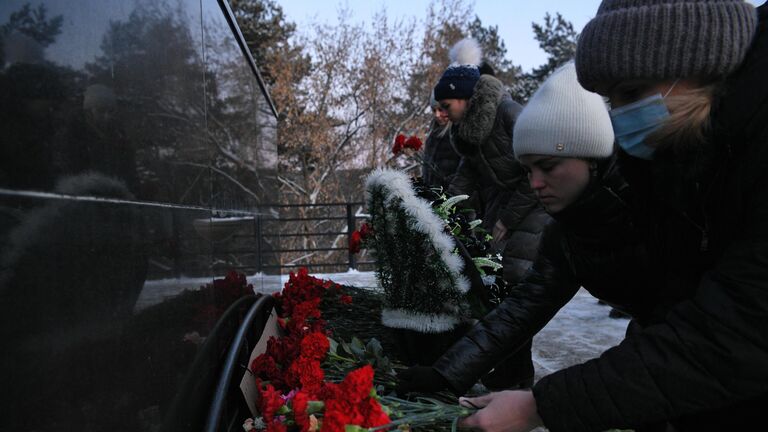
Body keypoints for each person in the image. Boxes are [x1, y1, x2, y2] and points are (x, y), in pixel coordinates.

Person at [455, 1, 768, 431]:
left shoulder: (707, 157)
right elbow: (672, 307)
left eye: (633, 91)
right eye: (611, 98)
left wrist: (545, 405)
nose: (619, 115)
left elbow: (737, 330)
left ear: (700, 60)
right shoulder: (668, 159)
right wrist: (445, 374)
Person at [398, 61, 642, 412]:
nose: (534, 183)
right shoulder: (567, 232)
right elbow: (520, 310)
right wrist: (446, 374)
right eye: (527, 170)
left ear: (588, 155)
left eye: (548, 166)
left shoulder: (647, 203)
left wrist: (542, 407)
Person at [433, 38, 549, 389]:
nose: (440, 113)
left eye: (445, 105)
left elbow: (539, 172)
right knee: (502, 291)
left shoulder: (509, 114)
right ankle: (513, 370)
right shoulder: (467, 131)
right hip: (507, 210)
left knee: (514, 287)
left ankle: (518, 375)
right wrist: (437, 208)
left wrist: (507, 219)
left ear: (465, 99)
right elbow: (464, 177)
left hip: (533, 209)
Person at [421, 91, 461, 192]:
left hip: (453, 198)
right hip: (433, 198)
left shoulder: (459, 134)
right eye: (434, 110)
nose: (437, 115)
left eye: (441, 109)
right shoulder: (432, 135)